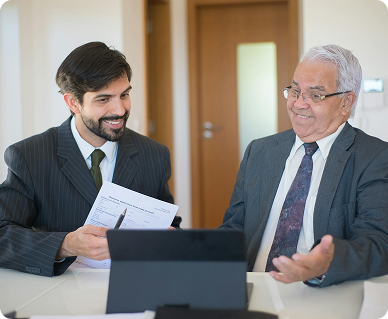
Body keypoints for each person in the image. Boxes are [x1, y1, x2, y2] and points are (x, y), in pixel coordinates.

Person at [0, 42, 181, 277]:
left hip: (133, 286)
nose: (120, 110)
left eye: (124, 95)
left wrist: (172, 238)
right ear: (73, 103)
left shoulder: (154, 154)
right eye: (103, 99)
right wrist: (65, 245)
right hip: (59, 297)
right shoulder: (29, 156)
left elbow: (169, 224)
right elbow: (3, 235)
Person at [220, 44, 388, 287]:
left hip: (320, 292)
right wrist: (190, 247)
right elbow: (234, 228)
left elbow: (378, 243)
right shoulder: (260, 151)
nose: (299, 104)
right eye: (295, 91)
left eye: (315, 95)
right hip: (252, 288)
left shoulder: (374, 158)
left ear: (346, 102)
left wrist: (326, 263)